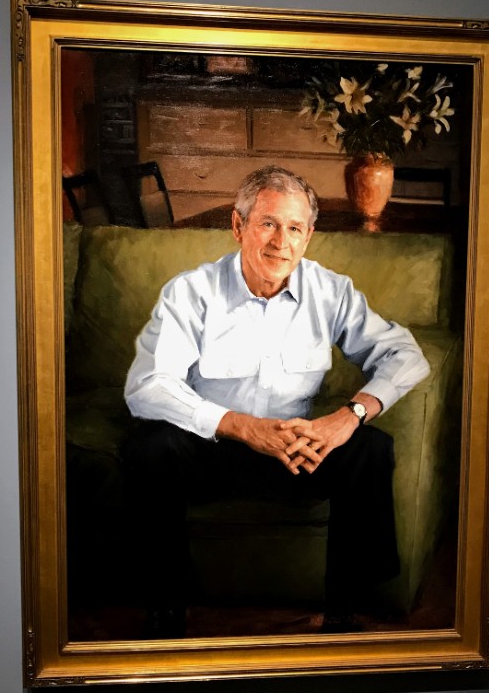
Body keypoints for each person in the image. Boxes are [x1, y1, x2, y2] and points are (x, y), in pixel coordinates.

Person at [123, 165, 430, 637]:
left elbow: (406, 355)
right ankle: (165, 613)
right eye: (267, 223)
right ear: (238, 225)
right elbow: (146, 384)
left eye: (294, 228)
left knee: (370, 448)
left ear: (309, 236)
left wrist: (349, 416)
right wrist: (241, 426)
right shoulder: (192, 292)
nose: (280, 242)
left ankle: (344, 613)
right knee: (149, 446)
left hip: (295, 452)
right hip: (212, 449)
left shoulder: (331, 292)